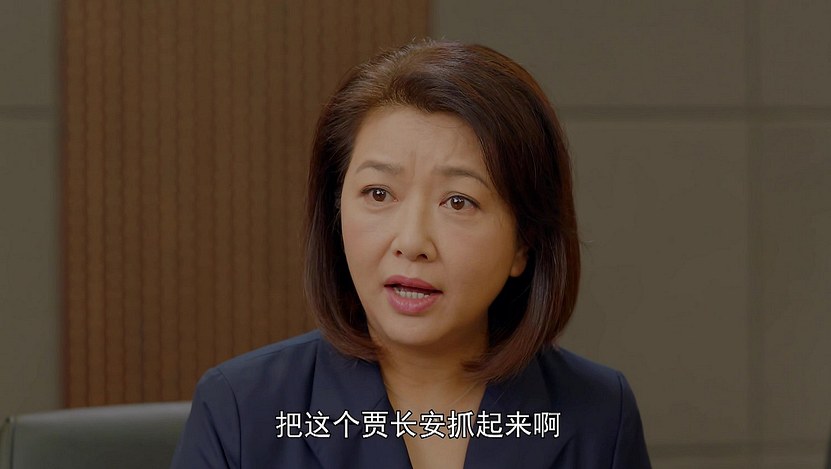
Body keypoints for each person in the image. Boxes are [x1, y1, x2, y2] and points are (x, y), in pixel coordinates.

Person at [171, 39, 651, 469]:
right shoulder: (242, 411)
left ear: (523, 243)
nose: (412, 241)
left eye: (458, 202)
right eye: (379, 193)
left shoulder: (598, 415)